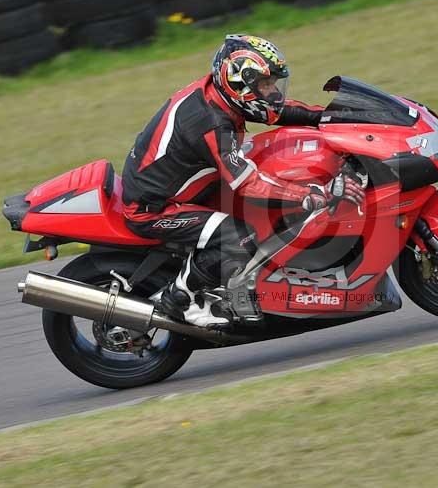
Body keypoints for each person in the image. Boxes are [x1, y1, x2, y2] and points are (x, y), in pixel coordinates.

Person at [121, 34, 365, 329]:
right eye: (266, 84)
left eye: (273, 82)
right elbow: (248, 183)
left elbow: (281, 111)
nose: (273, 91)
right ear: (240, 85)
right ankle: (179, 300)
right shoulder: (212, 123)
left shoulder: (222, 97)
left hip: (184, 187)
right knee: (238, 235)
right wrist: (312, 193)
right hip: (155, 208)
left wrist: (331, 117)